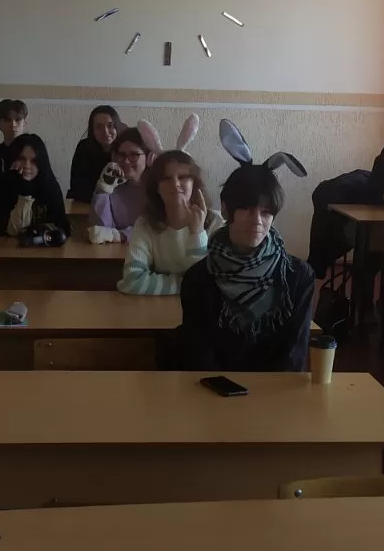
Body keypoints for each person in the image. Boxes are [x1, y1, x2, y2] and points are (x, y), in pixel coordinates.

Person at [178, 160, 315, 370]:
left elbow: (294, 355)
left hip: (278, 388)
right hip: (214, 387)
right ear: (225, 210)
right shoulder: (198, 278)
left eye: (266, 212)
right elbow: (200, 357)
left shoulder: (297, 275)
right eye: (246, 209)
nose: (257, 221)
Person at [118, 151, 221, 295]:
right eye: (166, 178)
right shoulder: (145, 224)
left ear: (194, 183)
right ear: (157, 187)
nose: (175, 184)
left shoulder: (216, 223)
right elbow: (132, 281)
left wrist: (197, 232)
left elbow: (216, 283)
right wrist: (188, 284)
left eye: (183, 177)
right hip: (158, 306)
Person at [0, 134, 70, 237]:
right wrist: (24, 188)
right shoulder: (0, 185)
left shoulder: (50, 186)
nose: (27, 165)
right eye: (22, 159)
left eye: (33, 161)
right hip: (6, 244)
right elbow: (12, 231)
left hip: (43, 245)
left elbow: (62, 227)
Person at [88, 127, 149, 242]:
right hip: (116, 250)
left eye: (134, 155)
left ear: (148, 157)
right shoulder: (113, 183)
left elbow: (156, 230)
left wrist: (120, 235)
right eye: (121, 155)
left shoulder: (158, 187)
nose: (126, 161)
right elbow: (100, 231)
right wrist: (103, 190)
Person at [67, 104, 121, 203]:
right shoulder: (84, 148)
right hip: (88, 203)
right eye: (99, 127)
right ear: (93, 130)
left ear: (117, 127)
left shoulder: (126, 148)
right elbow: (77, 187)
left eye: (110, 126)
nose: (105, 131)